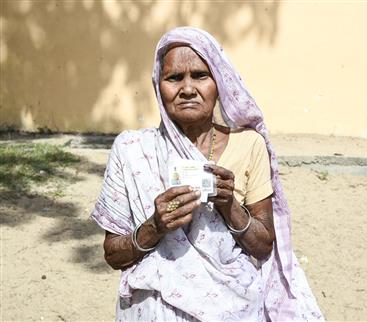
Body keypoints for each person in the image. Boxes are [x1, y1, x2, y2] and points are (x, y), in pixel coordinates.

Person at [91, 27, 324, 321]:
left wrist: (229, 206)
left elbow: (264, 245)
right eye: (174, 78)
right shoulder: (132, 149)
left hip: (233, 306)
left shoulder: (249, 144)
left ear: (219, 82)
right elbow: (113, 255)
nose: (187, 89)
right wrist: (155, 226)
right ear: (158, 85)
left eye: (200, 75)